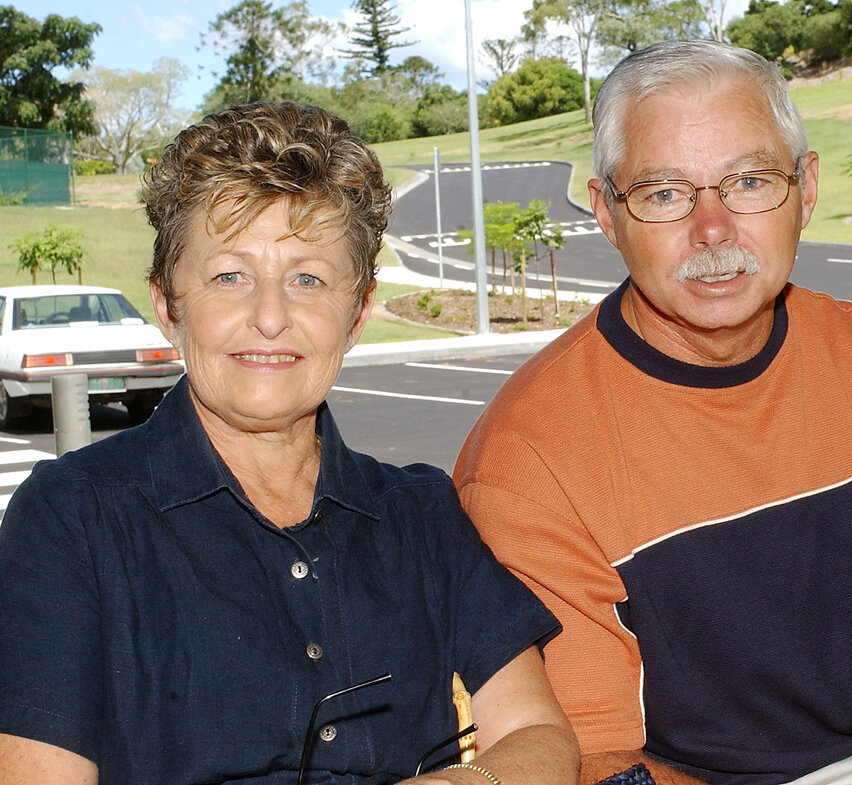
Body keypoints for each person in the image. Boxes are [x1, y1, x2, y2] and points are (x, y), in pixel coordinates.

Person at [453, 39, 852, 785]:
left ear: (806, 188)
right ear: (608, 214)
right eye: (666, 193)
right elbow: (598, 759)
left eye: (747, 180)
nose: (713, 231)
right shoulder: (528, 459)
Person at [0, 102, 579, 785]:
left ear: (359, 310)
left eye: (307, 278)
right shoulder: (72, 517)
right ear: (167, 303)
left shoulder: (420, 513)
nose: (270, 317)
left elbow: (539, 734)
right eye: (228, 276)